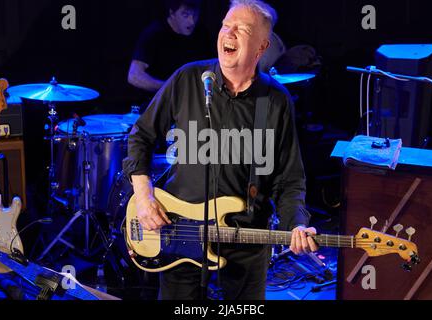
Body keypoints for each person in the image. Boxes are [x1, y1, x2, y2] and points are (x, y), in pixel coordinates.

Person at [123, 0, 318, 300]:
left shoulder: (275, 101)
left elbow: (290, 179)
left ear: (261, 47)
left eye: (242, 29)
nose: (229, 32)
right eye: (226, 25)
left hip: (245, 241)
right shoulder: (187, 79)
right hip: (179, 232)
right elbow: (141, 136)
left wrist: (298, 224)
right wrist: (145, 196)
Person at [127, 0, 213, 103]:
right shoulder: (154, 34)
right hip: (157, 104)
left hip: (190, 104)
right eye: (185, 15)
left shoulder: (202, 34)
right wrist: (168, 88)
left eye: (195, 15)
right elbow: (134, 76)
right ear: (172, 13)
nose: (192, 21)